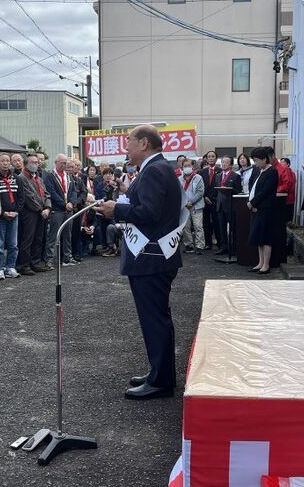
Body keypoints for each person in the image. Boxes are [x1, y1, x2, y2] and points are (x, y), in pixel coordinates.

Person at [96, 124, 182, 400]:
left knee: (154, 319)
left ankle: (161, 380)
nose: (126, 148)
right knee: (155, 318)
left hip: (151, 258)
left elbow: (150, 213)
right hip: (153, 257)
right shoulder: (157, 169)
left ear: (144, 143)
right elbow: (149, 205)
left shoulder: (155, 170)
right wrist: (127, 192)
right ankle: (159, 372)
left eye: (129, 142)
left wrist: (116, 209)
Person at [16, 153, 51, 275]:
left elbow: (46, 194)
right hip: (29, 213)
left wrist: (47, 207)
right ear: (26, 164)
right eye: (32, 162)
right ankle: (24, 265)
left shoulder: (39, 178)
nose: (35, 164)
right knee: (28, 238)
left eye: (36, 162)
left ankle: (35, 263)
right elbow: (28, 197)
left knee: (39, 238)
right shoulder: (21, 178)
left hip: (42, 212)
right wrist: (40, 210)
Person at [247, 147, 279, 274]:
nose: (256, 163)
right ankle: (260, 262)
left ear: (264, 159)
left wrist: (253, 202)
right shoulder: (259, 171)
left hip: (266, 209)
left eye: (257, 160)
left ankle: (266, 265)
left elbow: (265, 191)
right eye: (254, 160)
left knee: (266, 237)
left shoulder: (272, 172)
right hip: (258, 209)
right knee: (258, 237)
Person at [43, 153, 77, 268]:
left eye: (65, 163)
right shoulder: (50, 176)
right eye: (62, 163)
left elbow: (73, 191)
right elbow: (51, 192)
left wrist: (72, 202)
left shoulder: (68, 176)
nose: (64, 165)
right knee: (53, 235)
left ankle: (67, 257)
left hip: (68, 210)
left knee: (68, 235)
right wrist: (64, 204)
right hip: (57, 210)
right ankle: (49, 260)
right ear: (56, 162)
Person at [0, 153, 20, 280]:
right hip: (0, 216)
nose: (5, 163)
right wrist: (2, 213)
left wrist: (16, 211)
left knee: (13, 244)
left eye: (7, 161)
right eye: (2, 161)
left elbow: (21, 197)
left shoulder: (16, 178)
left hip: (14, 215)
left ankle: (11, 267)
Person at [214, 155, 242, 255]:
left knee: (233, 228)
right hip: (220, 205)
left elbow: (239, 191)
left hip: (231, 205)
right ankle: (224, 246)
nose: (224, 164)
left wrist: (229, 190)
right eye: (222, 162)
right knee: (221, 227)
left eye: (226, 162)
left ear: (230, 164)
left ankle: (234, 247)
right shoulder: (218, 175)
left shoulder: (235, 176)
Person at [179, 158, 205, 254]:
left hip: (196, 205)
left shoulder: (198, 177)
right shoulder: (180, 179)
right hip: (185, 206)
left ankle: (200, 246)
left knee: (198, 226)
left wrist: (191, 202)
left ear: (192, 166)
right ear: (182, 167)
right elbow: (179, 193)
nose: (187, 168)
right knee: (186, 227)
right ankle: (188, 245)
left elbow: (200, 192)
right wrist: (185, 203)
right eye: (185, 166)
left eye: (188, 166)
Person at [199, 150, 219, 250]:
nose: (211, 158)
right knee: (206, 222)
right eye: (209, 157)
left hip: (216, 200)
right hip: (205, 200)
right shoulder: (201, 172)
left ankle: (220, 243)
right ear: (206, 159)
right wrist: (204, 196)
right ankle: (208, 243)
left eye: (213, 156)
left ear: (216, 158)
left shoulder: (220, 170)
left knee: (217, 222)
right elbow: (199, 187)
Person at [280, 157, 297, 223]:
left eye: (283, 162)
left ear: (288, 164)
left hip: (288, 199)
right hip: (284, 199)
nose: (281, 164)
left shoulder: (291, 173)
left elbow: (288, 186)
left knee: (287, 218)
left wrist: (277, 189)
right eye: (280, 162)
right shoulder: (282, 172)